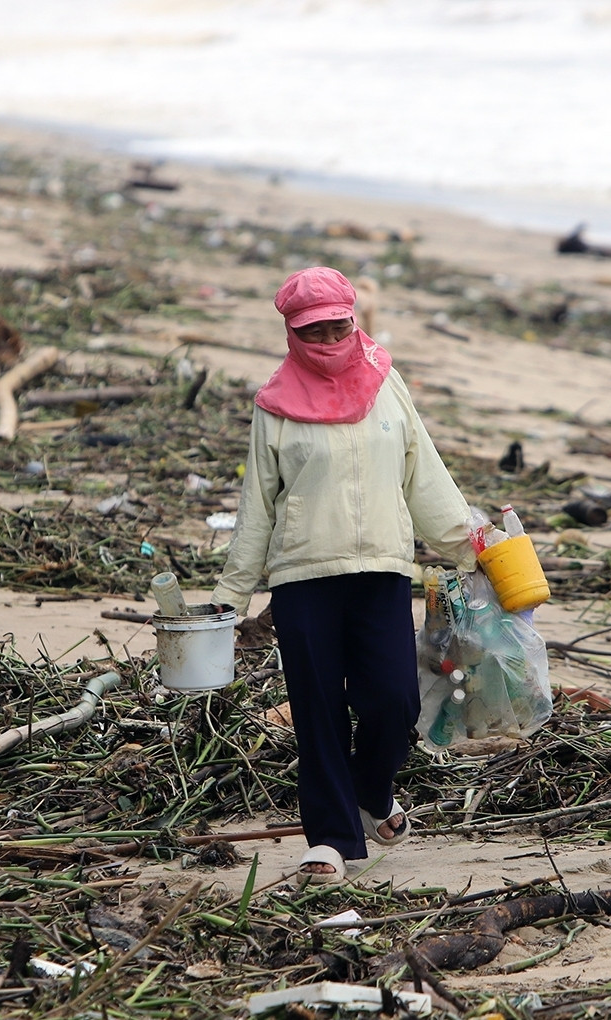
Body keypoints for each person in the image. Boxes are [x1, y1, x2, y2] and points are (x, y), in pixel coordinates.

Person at [211, 266, 478, 883]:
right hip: (303, 577)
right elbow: (258, 506)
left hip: (383, 568)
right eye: (314, 331)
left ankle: (372, 794)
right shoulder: (274, 406)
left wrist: (470, 545)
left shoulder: (388, 385)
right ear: (291, 332)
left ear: (354, 320)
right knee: (317, 709)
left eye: (338, 327)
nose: (329, 340)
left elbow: (424, 473)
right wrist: (230, 595)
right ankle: (329, 839)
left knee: (394, 700)